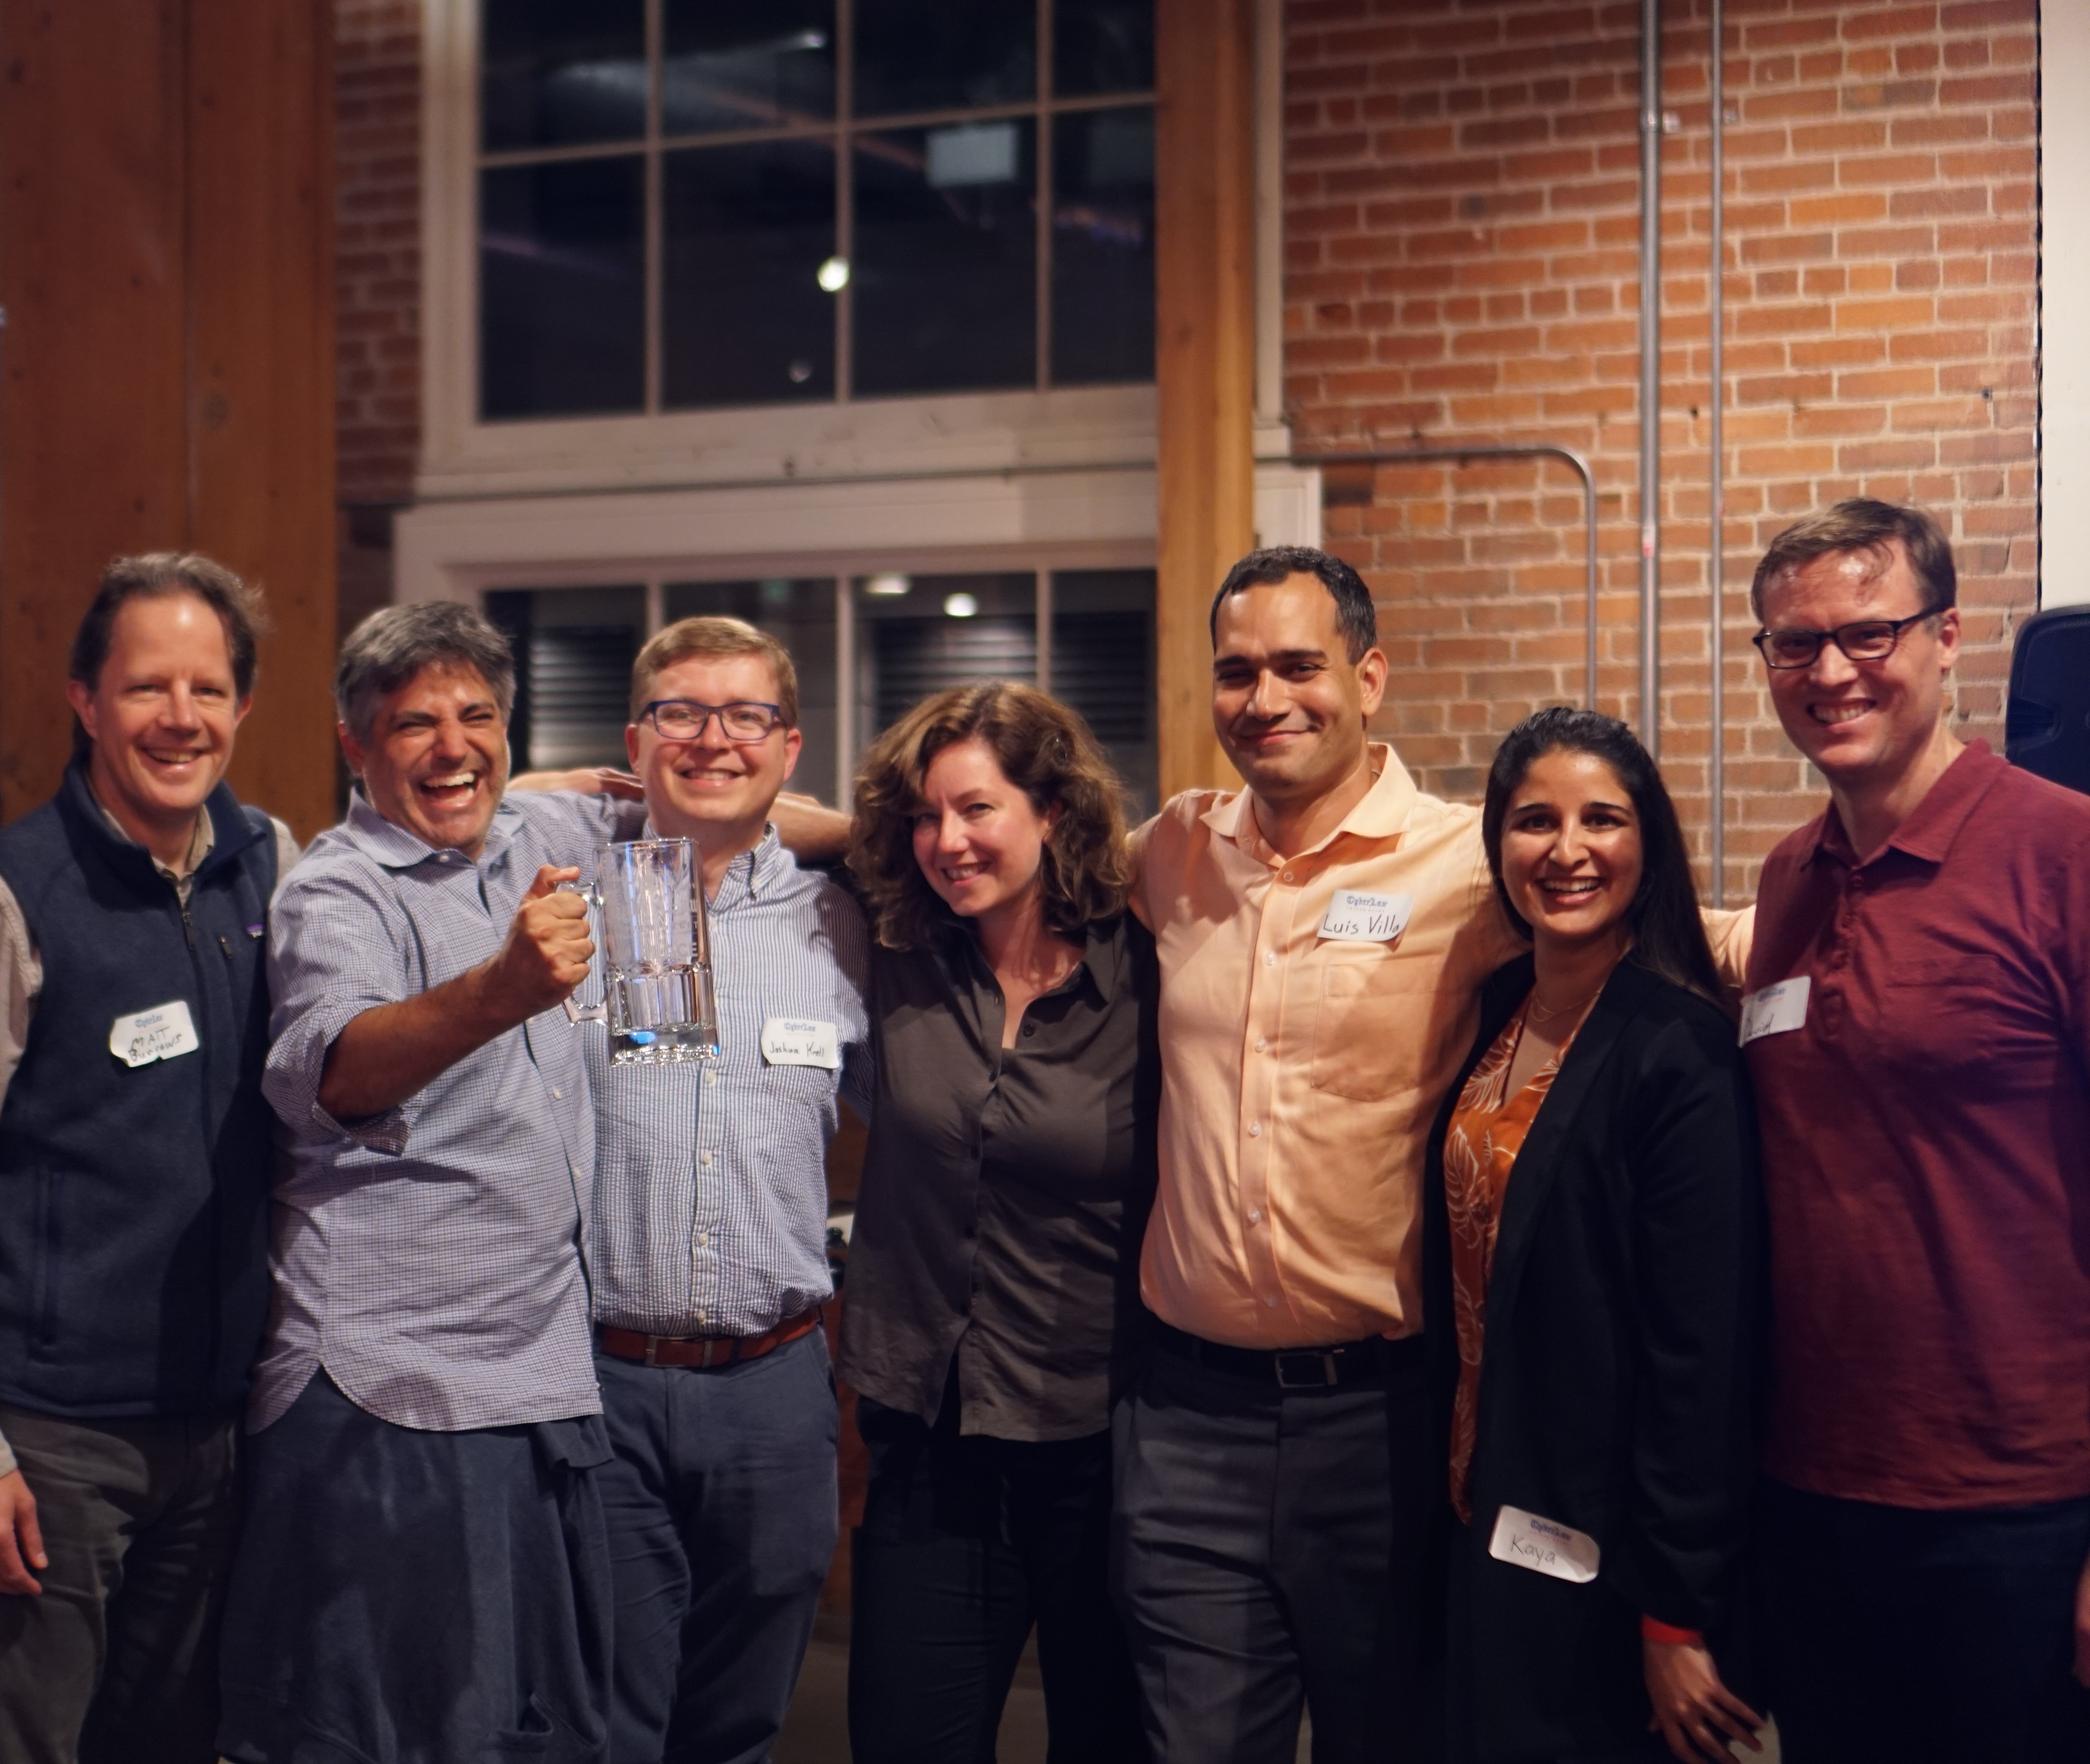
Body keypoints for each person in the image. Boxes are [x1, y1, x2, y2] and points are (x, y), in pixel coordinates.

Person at [1112, 546, 1750, 1764]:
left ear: (1369, 679)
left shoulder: (1474, 859)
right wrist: (780, 826)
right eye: (1237, 672)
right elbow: (1014, 849)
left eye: (1299, 665)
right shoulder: (1175, 850)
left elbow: (1697, 931)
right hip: (1186, 1426)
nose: (1266, 698)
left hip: (1380, 1426)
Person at [0, 553, 293, 1762]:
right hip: (45, 1452)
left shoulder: (272, 859)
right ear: (85, 700)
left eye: (208, 689)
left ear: (244, 707)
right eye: (147, 686)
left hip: (216, 1444)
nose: (180, 717)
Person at [216, 600, 620, 1764]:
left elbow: (709, 800)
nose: (453, 747)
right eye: (412, 724)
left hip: (539, 1382)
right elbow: (332, 1068)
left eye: (476, 716)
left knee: (528, 1739)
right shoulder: (338, 888)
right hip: (393, 1392)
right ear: (355, 744)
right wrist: (503, 989)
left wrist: (864, 832)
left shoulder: (536, 832)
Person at [1735, 500, 2090, 1761]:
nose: (1830, 671)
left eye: (1867, 633)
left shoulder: (2064, 853)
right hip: (1816, 1498)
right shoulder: (1788, 881)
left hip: (2024, 1514)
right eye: (1794, 643)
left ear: (1947, 636)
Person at [1426, 707, 1763, 1764]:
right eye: (1535, 820)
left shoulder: (1680, 1049)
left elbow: (1702, 1353)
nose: (1567, 850)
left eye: (1602, 820)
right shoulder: (1499, 1009)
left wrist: (1674, 1614)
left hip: (1606, 1549)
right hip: (1485, 1507)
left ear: (1647, 844)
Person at [836, 682, 1157, 1764]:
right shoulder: (900, 947)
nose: (948, 840)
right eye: (924, 816)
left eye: (977, 808)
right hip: (930, 1435)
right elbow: (742, 814)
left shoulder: (1150, 971)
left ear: (1054, 810)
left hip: (1101, 1441)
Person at [578, 615, 870, 1764]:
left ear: (790, 746)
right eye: (680, 713)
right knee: (607, 1727)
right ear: (634, 742)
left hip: (776, 1391)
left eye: (746, 715)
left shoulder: (844, 922)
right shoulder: (560, 897)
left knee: (743, 1725)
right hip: (600, 1381)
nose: (713, 739)